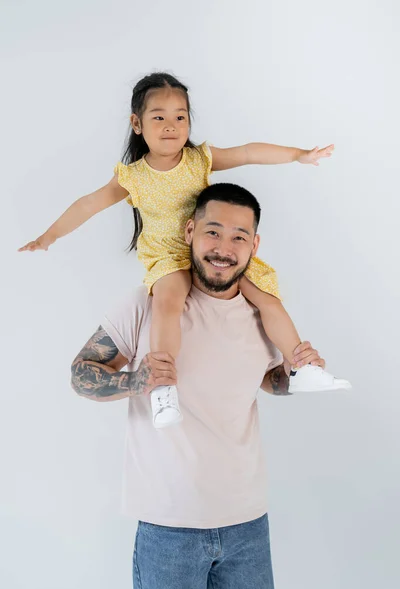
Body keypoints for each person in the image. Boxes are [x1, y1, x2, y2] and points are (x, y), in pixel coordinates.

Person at [21, 71, 350, 429]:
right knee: (167, 303)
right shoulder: (132, 176)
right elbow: (87, 205)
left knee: (268, 298)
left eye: (180, 117)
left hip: (210, 251)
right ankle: (163, 386)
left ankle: (302, 366)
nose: (171, 125)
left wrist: (298, 155)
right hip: (168, 256)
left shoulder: (199, 159)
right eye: (158, 117)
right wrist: (49, 236)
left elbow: (248, 152)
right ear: (137, 123)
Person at [71, 183, 331, 589]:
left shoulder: (261, 311)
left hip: (248, 524)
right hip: (168, 529)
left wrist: (296, 372)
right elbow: (81, 373)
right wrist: (135, 381)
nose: (223, 247)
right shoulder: (147, 303)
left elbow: (270, 382)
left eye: (238, 237)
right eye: (213, 231)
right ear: (189, 231)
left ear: (254, 245)